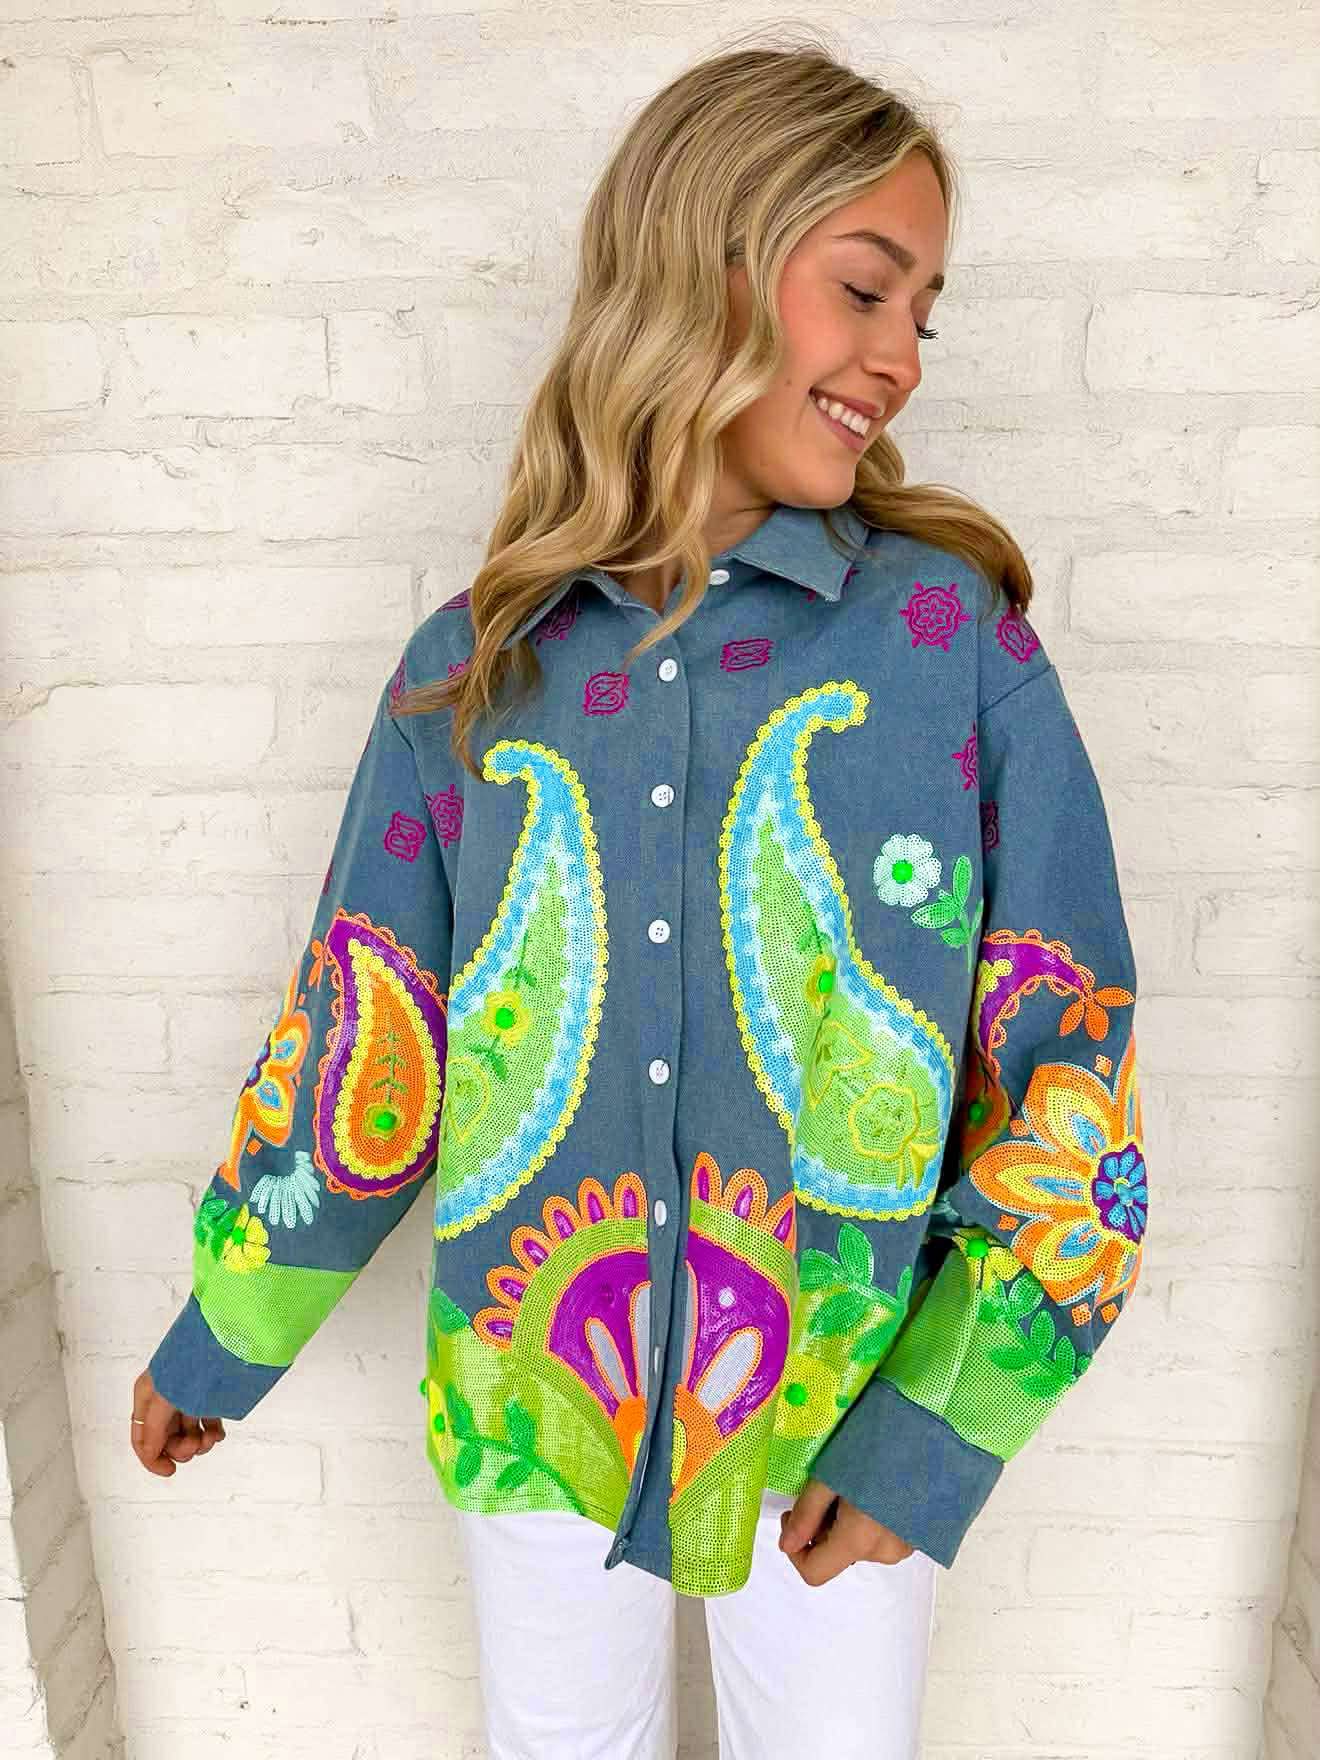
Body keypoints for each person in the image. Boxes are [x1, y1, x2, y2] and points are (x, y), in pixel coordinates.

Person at [131, 34, 1148, 1760]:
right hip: (535, 1392)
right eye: (866, 291)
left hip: (835, 1405)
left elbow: (1071, 1076)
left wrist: (939, 1427)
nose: (903, 357)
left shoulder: (950, 650)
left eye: (925, 311)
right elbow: (369, 1037)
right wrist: (224, 1337)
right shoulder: (474, 675)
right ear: (708, 267)